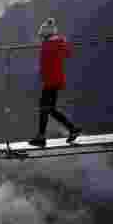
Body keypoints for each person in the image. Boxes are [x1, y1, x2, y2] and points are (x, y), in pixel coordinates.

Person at [31, 17, 81, 146]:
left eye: (42, 36)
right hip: (57, 79)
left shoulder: (47, 45)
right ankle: (72, 129)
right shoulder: (60, 42)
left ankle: (41, 137)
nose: (41, 39)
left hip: (49, 80)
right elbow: (68, 53)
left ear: (46, 35)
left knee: (44, 108)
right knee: (50, 109)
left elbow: (43, 66)